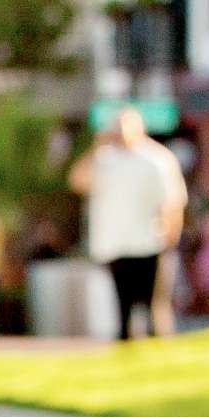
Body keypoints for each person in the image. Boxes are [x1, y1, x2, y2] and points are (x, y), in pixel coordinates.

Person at [69, 108, 187, 340]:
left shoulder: (157, 159)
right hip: (117, 246)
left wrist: (171, 236)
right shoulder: (104, 160)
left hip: (150, 243)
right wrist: (96, 148)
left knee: (154, 307)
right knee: (123, 310)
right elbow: (77, 181)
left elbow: (173, 202)